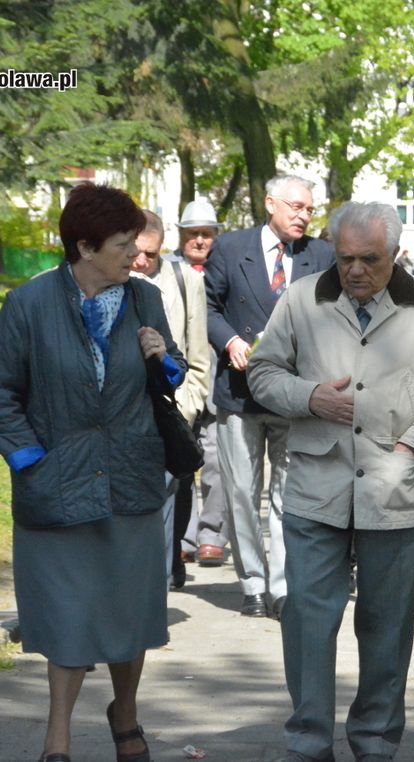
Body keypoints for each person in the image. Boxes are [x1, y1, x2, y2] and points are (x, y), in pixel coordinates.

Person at [247, 201, 414, 762]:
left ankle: (374, 742)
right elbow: (262, 371)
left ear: (394, 254)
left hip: (393, 486)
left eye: (369, 259)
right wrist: (310, 397)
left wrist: (412, 444)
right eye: (344, 257)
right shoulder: (303, 298)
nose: (354, 270)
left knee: (387, 625)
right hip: (314, 488)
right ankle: (309, 742)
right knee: (306, 617)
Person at [0, 183, 187, 762]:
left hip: (131, 477)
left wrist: (160, 359)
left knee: (131, 612)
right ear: (86, 247)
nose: (136, 256)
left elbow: (172, 375)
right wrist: (30, 460)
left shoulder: (145, 300)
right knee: (67, 616)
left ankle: (126, 713)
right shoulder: (29, 304)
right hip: (58, 482)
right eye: (125, 245)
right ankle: (58, 738)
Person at [205, 173, 335, 619]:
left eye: (310, 210)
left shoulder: (321, 255)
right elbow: (209, 307)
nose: (304, 216)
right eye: (296, 207)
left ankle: (281, 586)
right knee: (242, 490)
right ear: (270, 203)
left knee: (287, 492)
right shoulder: (229, 248)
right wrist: (229, 342)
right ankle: (252, 583)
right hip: (239, 394)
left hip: (292, 393)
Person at [131, 210, 211, 590]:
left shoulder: (184, 280)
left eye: (150, 253)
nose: (142, 261)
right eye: (136, 252)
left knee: (174, 492)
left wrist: (190, 406)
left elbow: (198, 355)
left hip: (174, 409)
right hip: (129, 414)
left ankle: (166, 571)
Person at [169, 199, 227, 568]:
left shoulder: (224, 270)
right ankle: (182, 537)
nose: (201, 241)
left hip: (221, 378)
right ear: (181, 235)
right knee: (181, 462)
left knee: (218, 460)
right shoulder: (168, 270)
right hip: (183, 378)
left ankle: (211, 536)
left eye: (207, 234)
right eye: (194, 234)